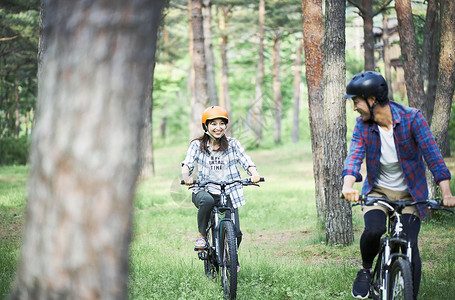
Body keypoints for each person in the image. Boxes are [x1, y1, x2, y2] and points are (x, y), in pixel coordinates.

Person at [341, 71, 455, 299]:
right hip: (378, 191)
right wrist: (348, 186)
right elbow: (354, 156)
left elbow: (433, 156)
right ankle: (365, 270)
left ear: (372, 100)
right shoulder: (363, 126)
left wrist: (447, 193)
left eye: (356, 102)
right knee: (374, 230)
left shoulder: (412, 119)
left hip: (410, 195)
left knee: (410, 244)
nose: (354, 108)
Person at [181, 106, 261, 252]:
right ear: (206, 125)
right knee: (208, 201)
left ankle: (230, 259)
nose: (218, 127)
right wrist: (186, 176)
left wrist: (254, 174)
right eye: (213, 124)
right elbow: (187, 164)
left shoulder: (233, 144)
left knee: (236, 234)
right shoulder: (197, 145)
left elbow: (246, 160)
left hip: (229, 191)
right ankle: (202, 236)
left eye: (222, 123)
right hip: (204, 190)